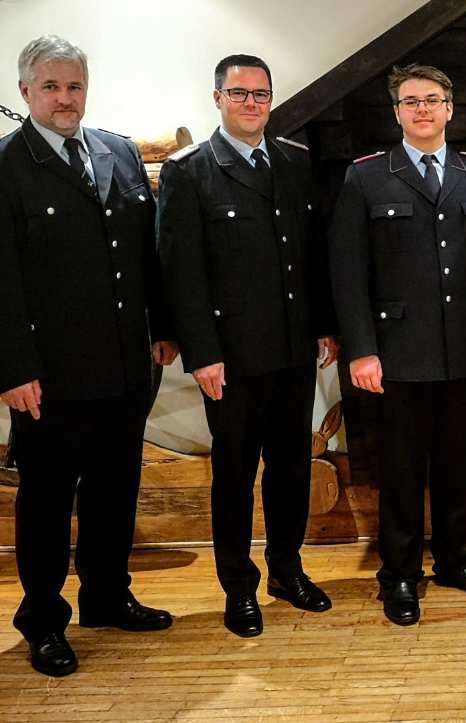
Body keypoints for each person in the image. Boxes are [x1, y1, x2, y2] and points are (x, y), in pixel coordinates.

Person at [0, 35, 176, 676]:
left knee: (115, 485)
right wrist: (13, 367)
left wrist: (163, 327)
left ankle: (106, 595)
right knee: (47, 497)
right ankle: (43, 619)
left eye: (73, 86)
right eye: (50, 87)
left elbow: (144, 250)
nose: (64, 98)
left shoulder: (119, 152)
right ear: (26, 93)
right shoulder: (7, 164)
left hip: (128, 363)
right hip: (50, 374)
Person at [158, 53, 338, 638]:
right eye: (239, 94)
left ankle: (287, 569)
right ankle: (239, 585)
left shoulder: (294, 161)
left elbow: (313, 255)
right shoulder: (190, 170)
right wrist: (201, 353)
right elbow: (180, 271)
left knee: (291, 467)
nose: (251, 103)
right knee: (234, 476)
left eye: (261, 94)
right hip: (230, 359)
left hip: (291, 351)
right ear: (217, 98)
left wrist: (326, 324)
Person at [329, 64, 466, 626]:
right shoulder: (367, 177)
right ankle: (400, 573)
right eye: (411, 102)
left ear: (450, 108)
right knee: (401, 470)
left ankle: (458, 561)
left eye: (432, 100)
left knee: (459, 465)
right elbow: (348, 272)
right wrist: (361, 349)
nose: (423, 110)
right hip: (397, 353)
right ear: (397, 112)